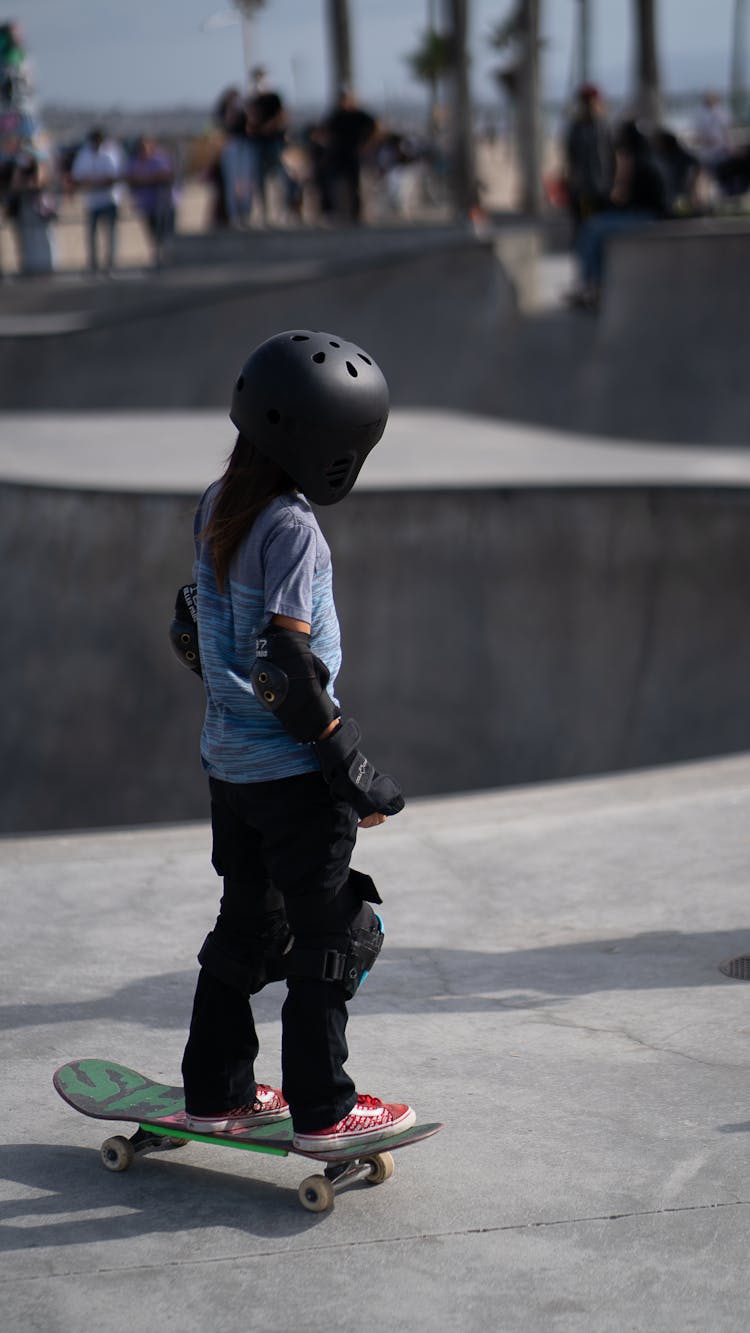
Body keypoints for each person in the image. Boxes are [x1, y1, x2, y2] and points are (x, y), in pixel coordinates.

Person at [172, 329, 415, 1152]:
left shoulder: (218, 500)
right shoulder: (293, 528)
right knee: (334, 939)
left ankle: (216, 1093)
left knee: (246, 925)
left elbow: (193, 626)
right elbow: (285, 662)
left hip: (230, 771)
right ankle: (323, 1109)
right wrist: (347, 767)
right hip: (294, 774)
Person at [569, 120, 669, 310]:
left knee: (593, 229)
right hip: (646, 213)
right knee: (595, 229)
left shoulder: (639, 163)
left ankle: (592, 284)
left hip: (647, 217)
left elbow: (623, 199)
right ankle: (592, 283)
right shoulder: (648, 158)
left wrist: (620, 177)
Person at [70, 127, 124, 273]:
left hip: (109, 199)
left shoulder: (110, 153)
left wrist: (94, 182)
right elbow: (78, 176)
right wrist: (95, 182)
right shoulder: (84, 154)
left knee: (110, 233)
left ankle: (111, 263)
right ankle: (93, 263)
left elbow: (113, 177)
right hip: (92, 202)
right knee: (92, 234)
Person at [319, 89, 377, 223]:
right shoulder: (337, 116)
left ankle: (356, 213)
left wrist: (367, 145)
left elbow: (376, 127)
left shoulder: (360, 115)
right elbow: (324, 130)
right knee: (337, 184)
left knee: (356, 184)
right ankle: (338, 211)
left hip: (354, 154)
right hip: (338, 154)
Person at [563, 84, 615, 232]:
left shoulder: (604, 126)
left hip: (603, 186)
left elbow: (612, 156)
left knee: (601, 225)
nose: (588, 106)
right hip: (582, 188)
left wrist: (615, 182)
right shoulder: (576, 127)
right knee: (584, 225)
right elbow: (570, 156)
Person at [128, 135, 175, 268]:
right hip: (146, 204)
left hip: (162, 204)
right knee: (151, 232)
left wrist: (145, 179)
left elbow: (165, 175)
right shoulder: (135, 162)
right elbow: (131, 178)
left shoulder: (159, 160)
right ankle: (156, 255)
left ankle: (165, 256)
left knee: (164, 231)